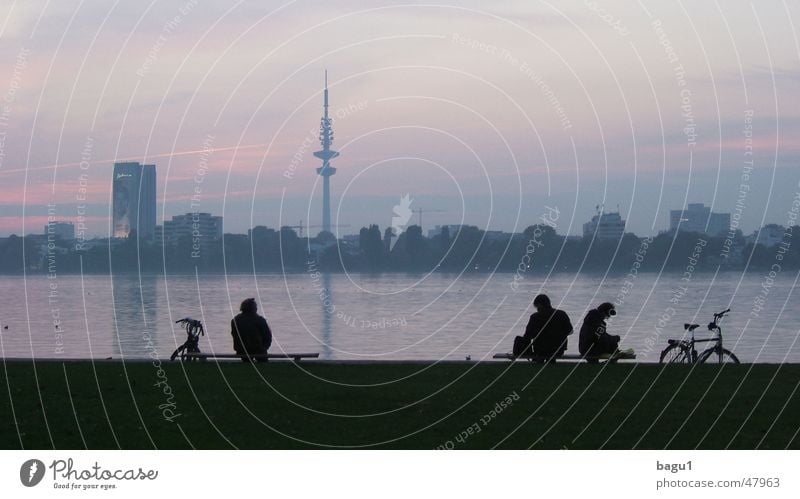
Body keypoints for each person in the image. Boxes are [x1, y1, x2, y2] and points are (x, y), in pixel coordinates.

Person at [522, 294, 573, 361]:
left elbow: (527, 335)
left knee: (540, 350)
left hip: (540, 350)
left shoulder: (535, 317)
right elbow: (570, 331)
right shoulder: (561, 314)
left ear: (539, 305)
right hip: (558, 350)